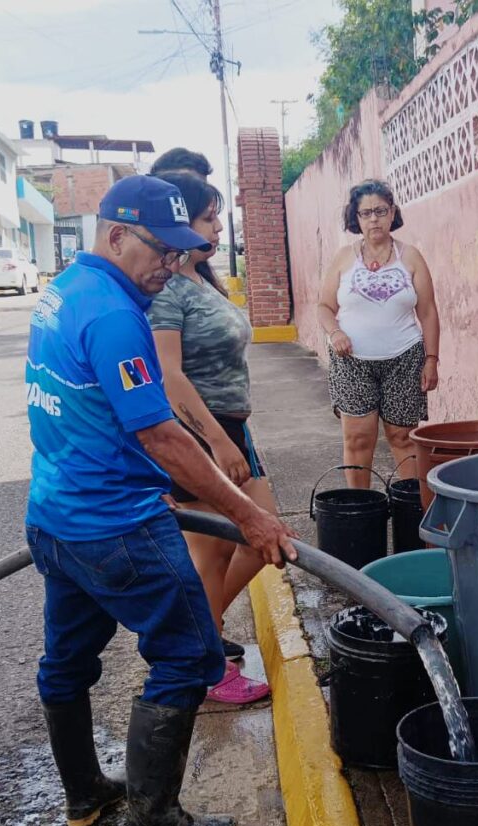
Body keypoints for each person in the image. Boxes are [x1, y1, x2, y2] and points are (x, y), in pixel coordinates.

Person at [24, 175, 297, 826]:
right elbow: (163, 437)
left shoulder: (65, 292)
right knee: (188, 653)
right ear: (114, 234)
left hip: (55, 517)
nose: (170, 266)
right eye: (159, 251)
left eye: (180, 253)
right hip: (114, 522)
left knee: (68, 661)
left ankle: (86, 797)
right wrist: (248, 516)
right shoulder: (116, 316)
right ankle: (154, 820)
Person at [148, 171, 272, 703]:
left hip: (232, 427)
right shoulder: (168, 290)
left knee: (264, 539)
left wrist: (233, 436)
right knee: (213, 552)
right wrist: (217, 443)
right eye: (207, 217)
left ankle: (198, 635)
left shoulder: (202, 279)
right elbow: (168, 375)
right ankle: (207, 661)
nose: (218, 227)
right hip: (203, 433)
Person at [317, 179, 440, 488]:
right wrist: (335, 333)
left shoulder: (410, 257)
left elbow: (427, 312)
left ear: (392, 213)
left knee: (402, 437)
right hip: (352, 362)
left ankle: (411, 509)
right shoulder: (344, 258)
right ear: (356, 218)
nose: (374, 219)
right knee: (358, 439)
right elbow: (323, 306)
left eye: (380, 211)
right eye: (366, 213)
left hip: (405, 359)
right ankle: (360, 510)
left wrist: (431, 360)